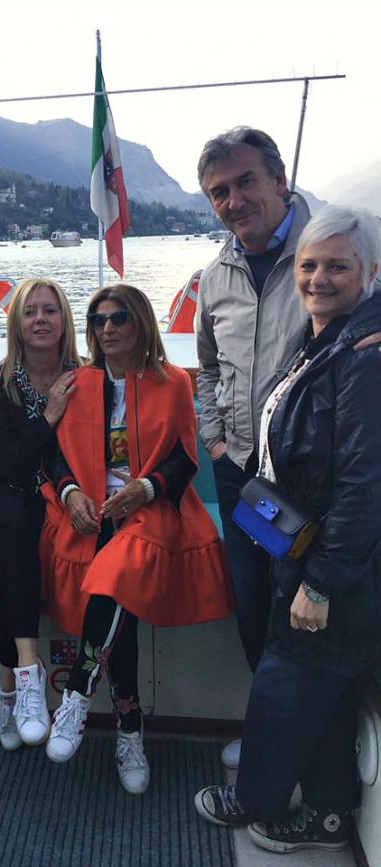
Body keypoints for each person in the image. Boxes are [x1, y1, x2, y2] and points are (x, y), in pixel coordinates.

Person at [195, 205, 381, 854]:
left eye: (338, 266)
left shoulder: (366, 358)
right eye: (308, 265)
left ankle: (255, 799)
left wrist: (321, 583)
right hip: (297, 540)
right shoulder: (324, 339)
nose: (318, 278)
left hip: (332, 560)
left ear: (371, 272)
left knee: (286, 677)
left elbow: (364, 486)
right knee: (323, 688)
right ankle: (328, 813)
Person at [40, 284, 232, 794]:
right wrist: (71, 493)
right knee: (115, 592)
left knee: (117, 571)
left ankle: (79, 691)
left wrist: (145, 489)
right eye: (98, 319)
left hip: (154, 508)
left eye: (119, 317)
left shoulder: (173, 383)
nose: (107, 328)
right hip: (91, 510)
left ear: (141, 322)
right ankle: (129, 728)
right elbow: (51, 454)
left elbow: (185, 459)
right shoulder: (75, 383)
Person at [195, 127, 311, 769]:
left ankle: (302, 750)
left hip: (309, 483)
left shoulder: (328, 255)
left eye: (245, 182)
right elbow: (208, 368)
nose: (233, 201)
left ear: (278, 178)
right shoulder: (216, 276)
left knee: (307, 612)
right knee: (255, 607)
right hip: (243, 476)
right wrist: (214, 441)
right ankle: (272, 737)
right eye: (219, 192)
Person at [0, 278, 80, 751]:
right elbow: (1, 464)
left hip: (60, 491)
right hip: (1, 488)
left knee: (6, 566)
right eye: (30, 311)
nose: (40, 319)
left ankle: (9, 690)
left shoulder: (83, 378)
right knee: (15, 527)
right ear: (15, 323)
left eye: (49, 310)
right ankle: (28, 672)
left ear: (64, 320)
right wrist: (49, 416)